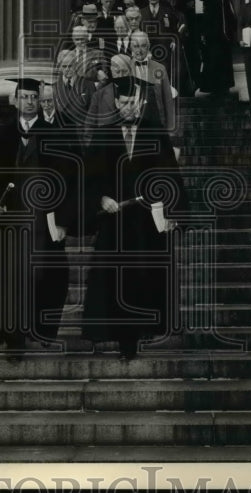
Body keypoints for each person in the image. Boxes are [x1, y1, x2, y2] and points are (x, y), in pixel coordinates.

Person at [82, 75, 187, 360]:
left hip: (144, 224)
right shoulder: (104, 134)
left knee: (144, 277)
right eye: (124, 102)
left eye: (133, 102)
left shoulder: (154, 132)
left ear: (140, 102)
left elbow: (169, 174)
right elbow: (88, 179)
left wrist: (171, 208)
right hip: (114, 223)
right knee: (115, 281)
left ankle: (141, 332)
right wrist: (100, 199)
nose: (129, 107)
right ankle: (121, 337)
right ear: (116, 102)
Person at [0, 78, 74, 357]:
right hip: (9, 218)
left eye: (34, 97)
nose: (29, 102)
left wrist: (64, 220)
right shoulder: (1, 134)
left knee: (45, 276)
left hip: (43, 219)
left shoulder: (54, 134)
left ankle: (39, 329)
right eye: (24, 97)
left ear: (40, 101)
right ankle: (13, 337)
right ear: (15, 100)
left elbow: (68, 179)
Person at [128, 30, 176, 137]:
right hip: (133, 125)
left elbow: (168, 100)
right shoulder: (125, 68)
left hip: (157, 124)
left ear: (148, 47)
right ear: (131, 47)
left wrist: (170, 129)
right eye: (136, 46)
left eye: (143, 46)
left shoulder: (160, 69)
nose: (139, 50)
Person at [198, 0, 237, 98]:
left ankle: (217, 90)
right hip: (224, 38)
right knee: (224, 65)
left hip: (217, 39)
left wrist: (205, 36)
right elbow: (232, 17)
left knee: (216, 65)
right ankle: (222, 89)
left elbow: (211, 20)